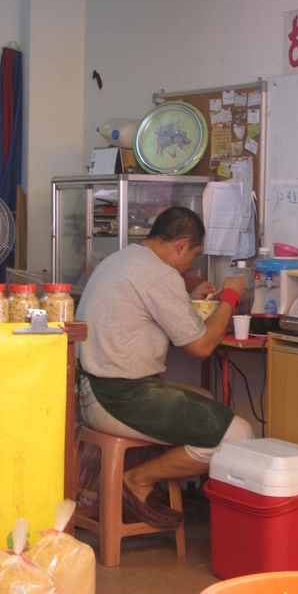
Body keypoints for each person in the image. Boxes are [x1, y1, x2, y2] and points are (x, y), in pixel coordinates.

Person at [76, 206, 255, 527]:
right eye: (194, 255)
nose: (191, 264)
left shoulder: (122, 259)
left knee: (204, 397)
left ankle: (145, 482)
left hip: (90, 391)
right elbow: (201, 347)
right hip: (118, 398)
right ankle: (138, 481)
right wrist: (230, 297)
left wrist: (185, 297)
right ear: (182, 245)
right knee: (238, 434)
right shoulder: (160, 274)